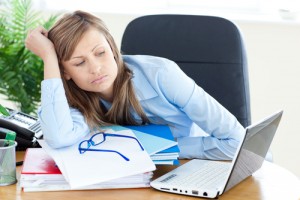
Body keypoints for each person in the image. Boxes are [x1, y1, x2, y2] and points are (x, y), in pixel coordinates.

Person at [25, 10, 245, 160]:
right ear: (65, 72)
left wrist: (162, 148)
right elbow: (58, 138)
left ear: (112, 49)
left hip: (189, 168)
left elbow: (237, 143)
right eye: (79, 63)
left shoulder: (161, 75)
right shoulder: (73, 99)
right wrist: (49, 57)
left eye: (100, 53)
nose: (96, 69)